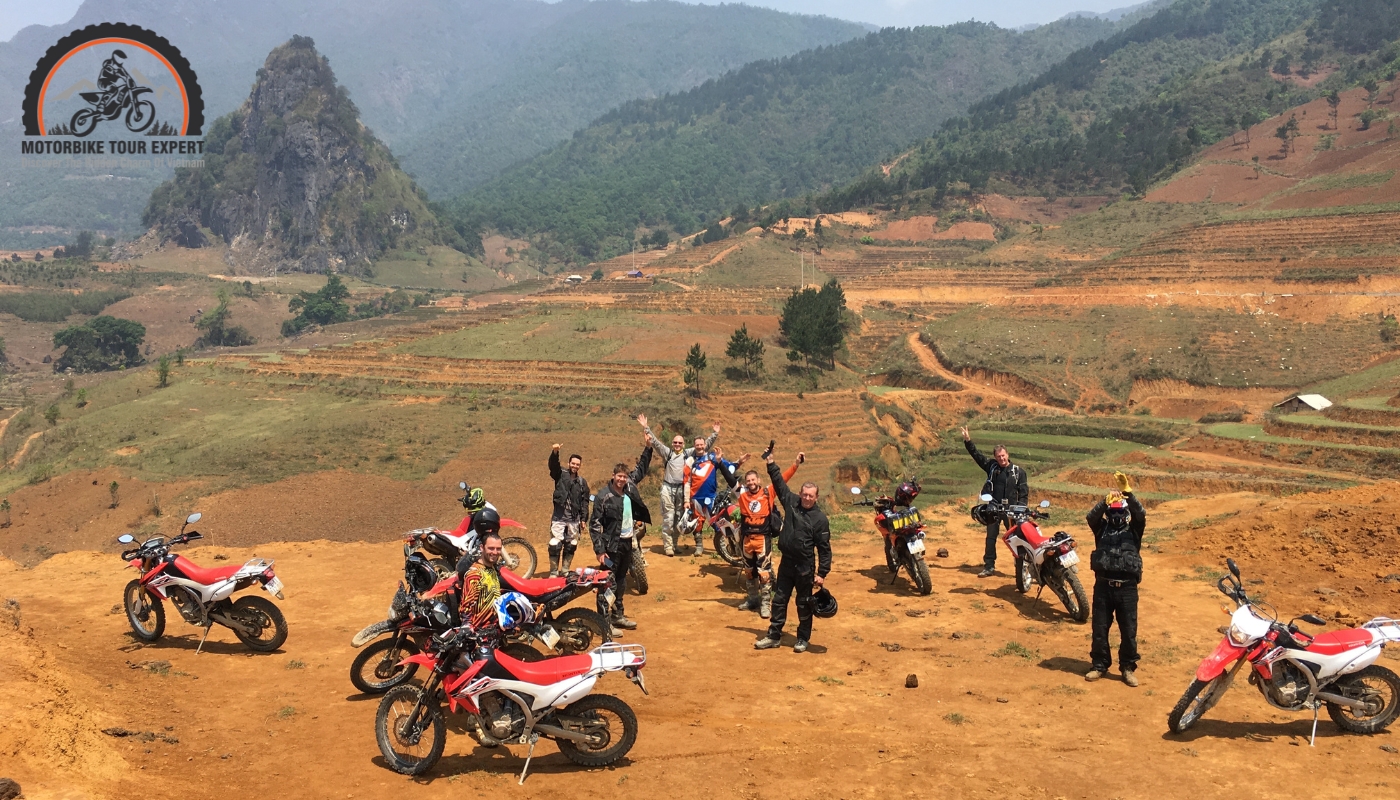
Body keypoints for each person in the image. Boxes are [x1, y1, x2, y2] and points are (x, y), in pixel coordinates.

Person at [754, 448, 830, 653]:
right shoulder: (792, 503)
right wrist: (770, 462)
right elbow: (779, 484)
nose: (806, 498)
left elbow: (824, 549)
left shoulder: (820, 519)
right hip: (787, 562)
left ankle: (803, 639)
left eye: (810, 496)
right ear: (800, 494)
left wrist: (822, 573)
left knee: (804, 603)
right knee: (779, 600)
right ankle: (774, 635)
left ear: (816, 497)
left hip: (805, 567)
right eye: (804, 494)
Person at [588, 435, 654, 633]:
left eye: (624, 477)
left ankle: (618, 616)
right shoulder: (603, 496)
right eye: (619, 476)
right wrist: (600, 551)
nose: (622, 479)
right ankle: (603, 622)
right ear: (613, 476)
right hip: (610, 547)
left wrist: (648, 447)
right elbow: (594, 525)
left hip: (627, 542)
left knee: (622, 580)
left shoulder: (629, 488)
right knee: (607, 582)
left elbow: (642, 467)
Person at [1085, 471, 1145, 686]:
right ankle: (1099, 665)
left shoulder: (1135, 530)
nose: (1118, 517)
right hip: (1103, 587)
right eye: (1114, 513)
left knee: (1129, 631)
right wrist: (1104, 502)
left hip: (1127, 589)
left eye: (1121, 513)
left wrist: (1128, 494)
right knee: (1099, 629)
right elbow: (1091, 517)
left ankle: (1128, 668)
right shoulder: (1101, 529)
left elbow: (1141, 514)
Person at [640, 415, 718, 556]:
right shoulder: (667, 453)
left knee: (678, 517)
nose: (677, 445)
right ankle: (668, 546)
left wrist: (714, 434)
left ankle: (674, 545)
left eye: (680, 443)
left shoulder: (688, 453)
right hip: (668, 488)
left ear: (683, 444)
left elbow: (703, 446)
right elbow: (656, 442)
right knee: (668, 518)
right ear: (672, 443)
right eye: (675, 442)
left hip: (682, 489)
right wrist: (646, 427)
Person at [736, 452, 801, 618]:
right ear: (745, 483)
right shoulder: (742, 497)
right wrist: (727, 462)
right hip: (747, 540)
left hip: (762, 539)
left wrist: (795, 465)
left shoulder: (768, 493)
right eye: (748, 481)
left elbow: (783, 479)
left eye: (753, 480)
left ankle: (765, 604)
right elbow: (730, 479)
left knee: (764, 573)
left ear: (758, 480)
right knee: (749, 571)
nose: (751, 483)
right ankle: (752, 600)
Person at [962, 426, 1027, 578]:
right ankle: (989, 566)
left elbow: (1024, 494)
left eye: (1003, 456)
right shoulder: (992, 467)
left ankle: (1024, 567)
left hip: (1011, 511)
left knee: (1017, 539)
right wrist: (968, 441)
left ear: (1007, 454)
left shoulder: (1018, 472)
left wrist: (1021, 509)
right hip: (994, 509)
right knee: (991, 538)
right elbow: (977, 456)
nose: (1001, 459)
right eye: (998, 457)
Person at [547, 444, 590, 577]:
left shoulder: (582, 482)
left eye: (577, 464)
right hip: (559, 517)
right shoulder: (560, 474)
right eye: (573, 463)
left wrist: (583, 519)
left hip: (573, 519)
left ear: (580, 466)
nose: (575, 466)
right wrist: (555, 452)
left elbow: (585, 502)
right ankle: (554, 572)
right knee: (555, 544)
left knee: (571, 544)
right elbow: (553, 466)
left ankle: (565, 570)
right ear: (569, 463)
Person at [457, 531, 505, 636]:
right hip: (480, 634)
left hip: (493, 629)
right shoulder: (475, 575)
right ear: (482, 548)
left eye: (498, 549)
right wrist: (467, 626)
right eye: (491, 548)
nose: (495, 552)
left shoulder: (492, 568)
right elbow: (466, 606)